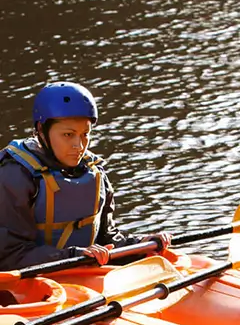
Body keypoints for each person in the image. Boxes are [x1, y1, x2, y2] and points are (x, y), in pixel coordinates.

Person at [0, 81, 171, 271]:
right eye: (68, 135)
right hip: (29, 286)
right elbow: (9, 256)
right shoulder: (14, 176)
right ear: (41, 130)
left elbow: (107, 239)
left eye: (85, 134)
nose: (79, 146)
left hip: (79, 276)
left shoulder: (94, 172)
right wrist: (74, 256)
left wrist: (140, 246)